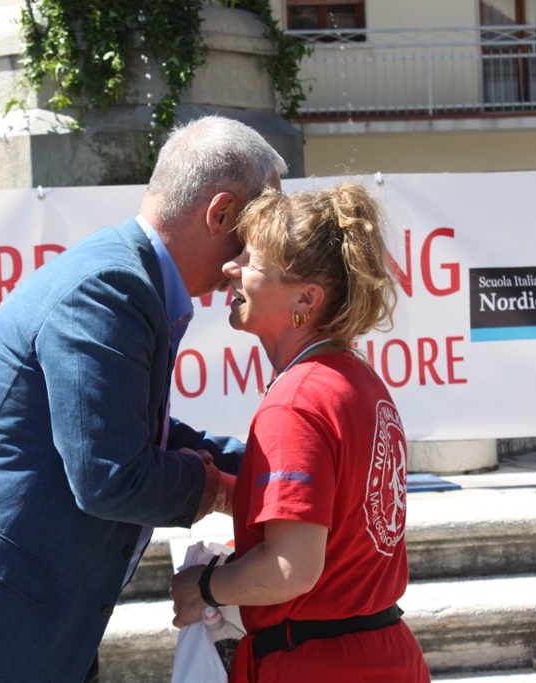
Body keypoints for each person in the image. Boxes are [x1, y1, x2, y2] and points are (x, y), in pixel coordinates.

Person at [0, 115, 288, 683]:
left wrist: (277, 471)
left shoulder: (128, 279)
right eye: (258, 230)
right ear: (220, 214)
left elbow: (142, 435)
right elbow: (110, 474)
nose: (253, 258)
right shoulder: (111, 288)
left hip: (20, 622)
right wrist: (219, 488)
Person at [171, 184, 431, 682]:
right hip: (381, 654)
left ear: (305, 299)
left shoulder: (297, 400)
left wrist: (203, 587)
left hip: (319, 664)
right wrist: (225, 493)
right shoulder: (356, 379)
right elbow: (334, 519)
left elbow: (290, 568)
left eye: (250, 260)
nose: (230, 267)